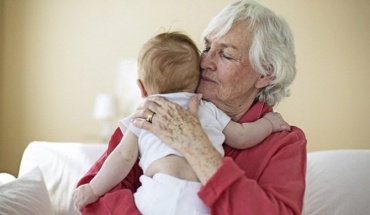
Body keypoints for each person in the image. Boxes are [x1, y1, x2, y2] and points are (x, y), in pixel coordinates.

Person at [76, 0, 307, 214]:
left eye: (226, 54)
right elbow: (93, 200)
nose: (205, 63)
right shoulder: (156, 112)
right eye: (206, 48)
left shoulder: (284, 143)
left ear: (265, 73)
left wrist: (196, 147)